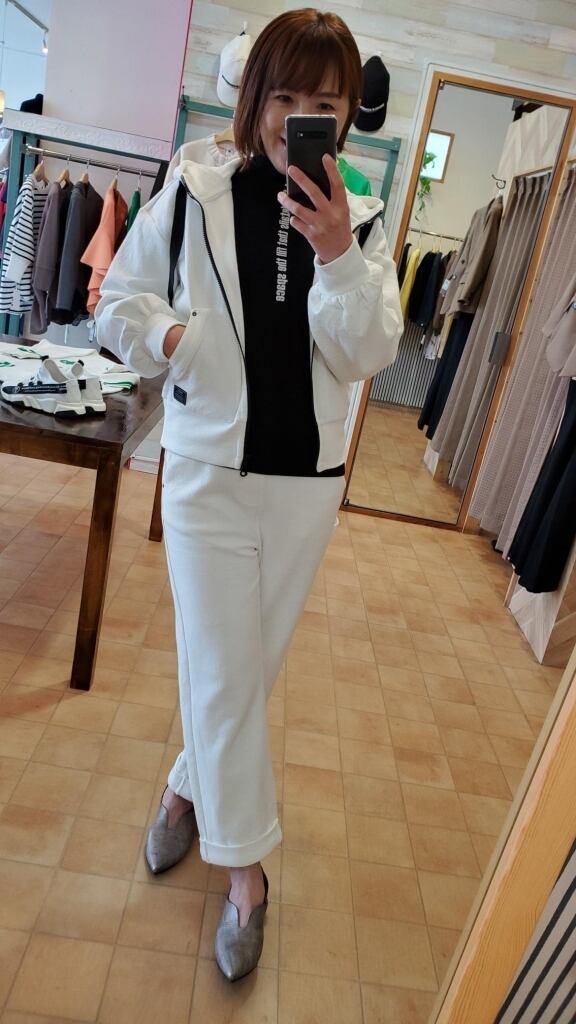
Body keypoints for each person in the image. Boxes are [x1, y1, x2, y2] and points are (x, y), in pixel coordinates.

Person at [96, 7, 402, 982]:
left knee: (245, 669)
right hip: (206, 477)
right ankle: (247, 874)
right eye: (286, 95)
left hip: (305, 485)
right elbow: (117, 305)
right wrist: (176, 340)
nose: (300, 116)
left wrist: (338, 251)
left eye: (326, 101)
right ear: (254, 96)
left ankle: (186, 792)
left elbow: (366, 351)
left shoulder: (361, 213)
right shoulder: (195, 187)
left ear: (347, 115)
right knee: (226, 671)